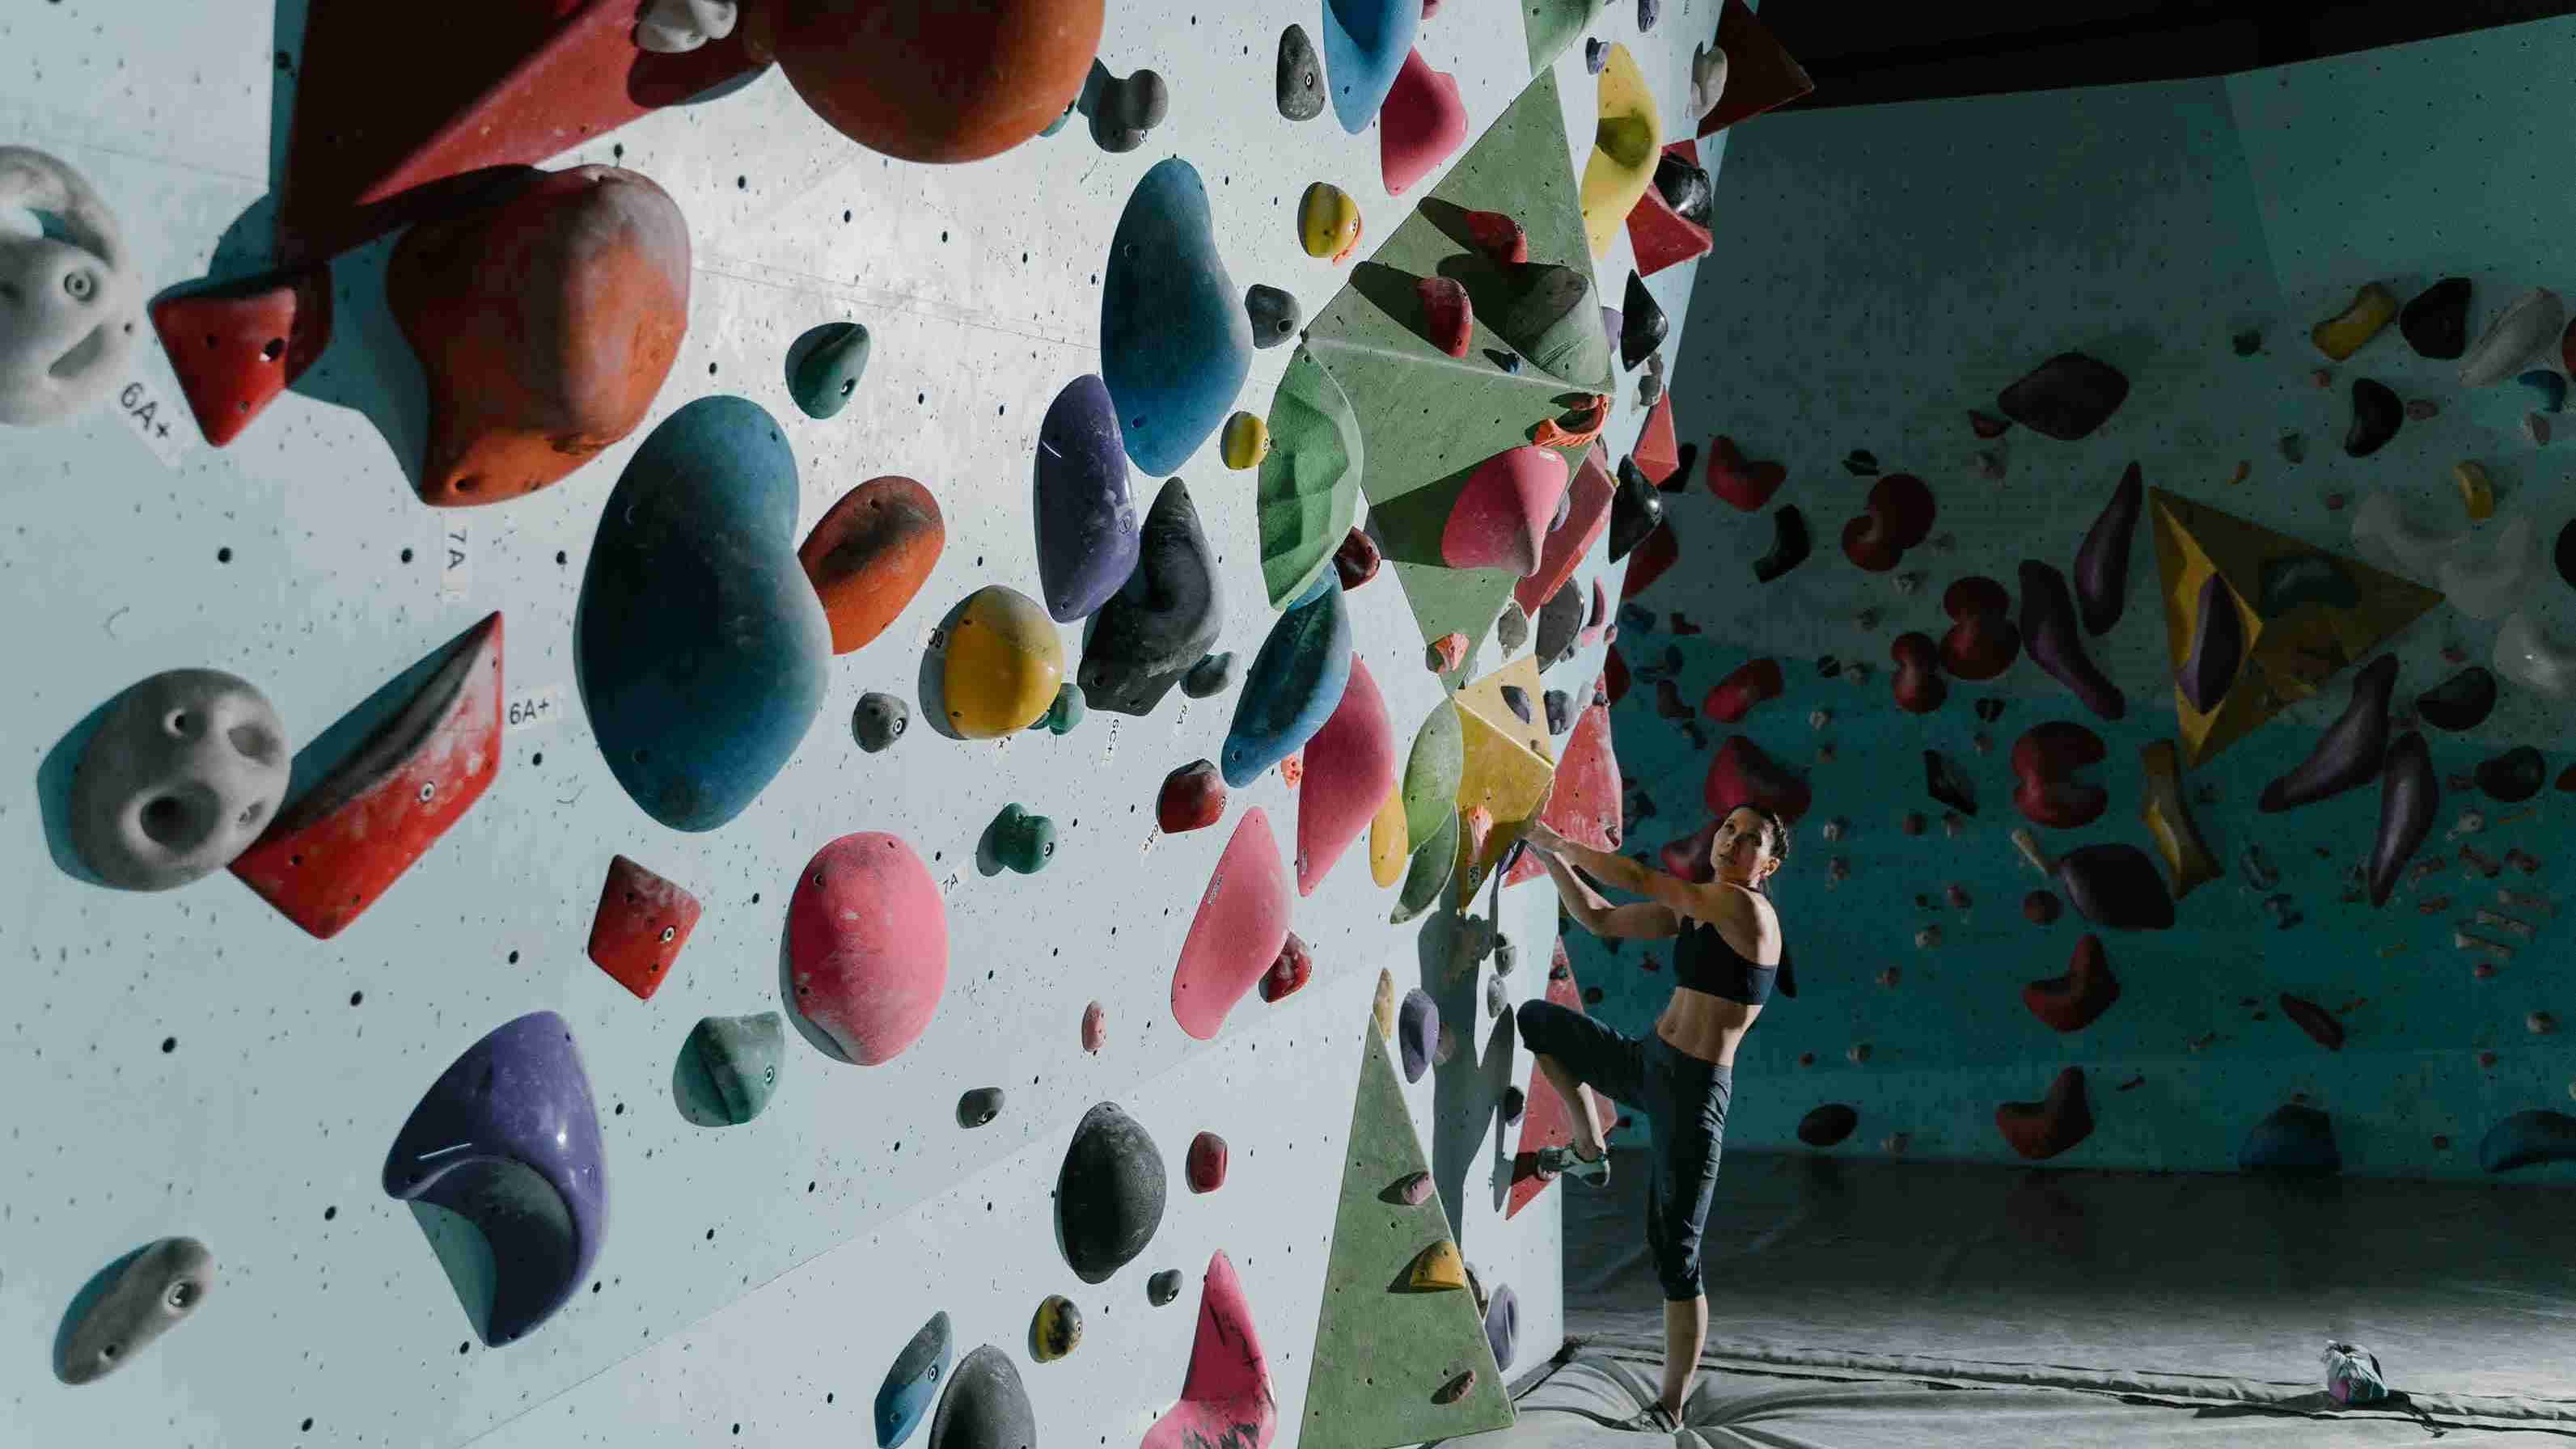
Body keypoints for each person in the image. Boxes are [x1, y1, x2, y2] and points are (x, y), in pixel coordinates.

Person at [1514, 805, 1795, 1431]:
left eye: (1751, 840)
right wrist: (1550, 859)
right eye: (1728, 829)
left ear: (1767, 864)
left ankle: (1669, 1403)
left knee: (1676, 1254)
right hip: (1648, 1061)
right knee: (1538, 1022)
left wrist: (1552, 835)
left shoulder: (1744, 910)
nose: (1732, 841)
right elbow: (1599, 917)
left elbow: (1638, 881)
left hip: (1693, 1094)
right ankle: (1589, 1149)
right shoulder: (1698, 909)